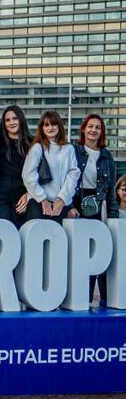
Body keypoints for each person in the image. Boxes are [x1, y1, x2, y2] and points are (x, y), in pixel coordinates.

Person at [71, 114, 118, 306]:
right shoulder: (74, 151)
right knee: (78, 254)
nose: (93, 130)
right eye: (90, 126)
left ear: (101, 131)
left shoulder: (107, 156)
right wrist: (71, 207)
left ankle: (98, 299)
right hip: (77, 203)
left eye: (97, 127)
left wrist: (115, 220)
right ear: (83, 129)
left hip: (97, 206)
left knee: (95, 253)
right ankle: (79, 298)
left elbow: (111, 193)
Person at [21, 111, 79, 223]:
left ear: (59, 126)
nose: (50, 128)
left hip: (60, 205)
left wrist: (62, 200)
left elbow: (73, 175)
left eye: (53, 124)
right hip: (38, 204)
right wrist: (43, 199)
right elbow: (28, 175)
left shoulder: (69, 149)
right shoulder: (37, 148)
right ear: (42, 128)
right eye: (46, 125)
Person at [0, 105, 32, 228]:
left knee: (23, 235)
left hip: (23, 197)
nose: (11, 122)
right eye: (7, 120)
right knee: (2, 233)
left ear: (21, 120)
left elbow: (39, 172)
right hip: (0, 197)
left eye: (15, 118)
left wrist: (29, 194)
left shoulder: (33, 143)